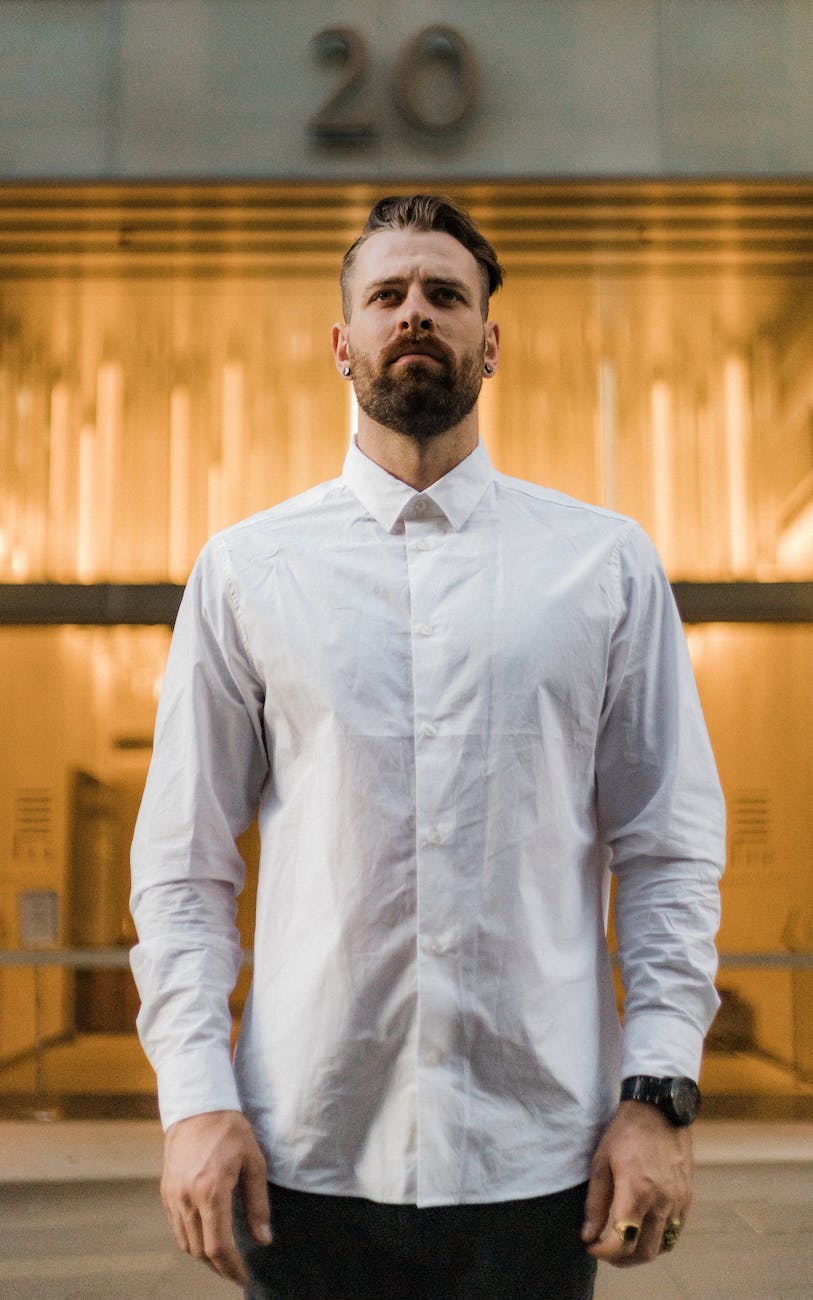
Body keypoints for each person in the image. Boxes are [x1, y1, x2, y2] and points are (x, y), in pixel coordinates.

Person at [130, 194, 725, 1299]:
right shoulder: (247, 570)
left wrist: (657, 1095)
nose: (417, 314)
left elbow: (669, 849)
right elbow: (183, 865)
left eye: (447, 296)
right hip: (305, 1158)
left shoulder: (605, 566)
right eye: (388, 295)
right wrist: (197, 1100)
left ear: (489, 342)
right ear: (341, 342)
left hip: (539, 1163)